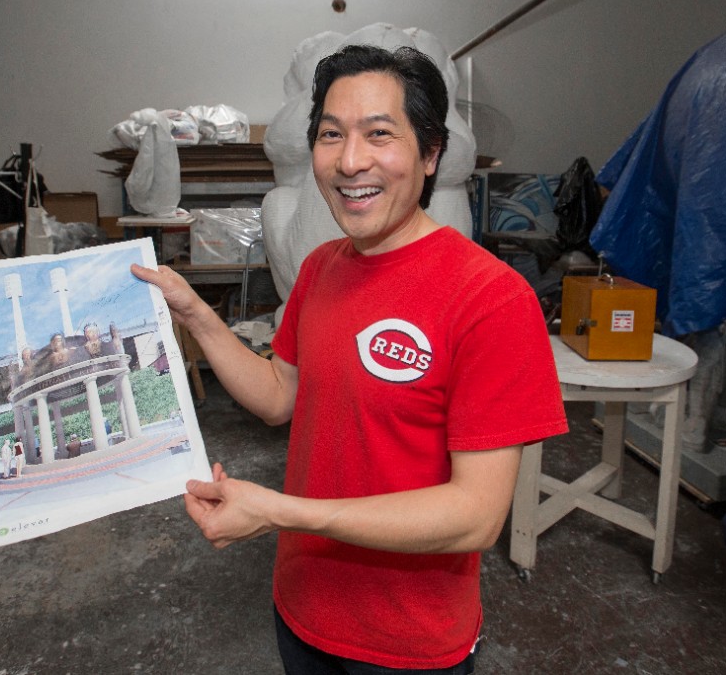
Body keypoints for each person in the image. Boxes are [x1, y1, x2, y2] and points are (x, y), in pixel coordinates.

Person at [133, 43, 566, 673]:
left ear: (430, 155)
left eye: (379, 134)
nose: (350, 161)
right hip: (303, 611)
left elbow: (475, 516)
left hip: (408, 643)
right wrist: (196, 314)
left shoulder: (491, 298)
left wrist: (280, 512)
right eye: (330, 135)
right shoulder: (322, 269)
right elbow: (281, 394)